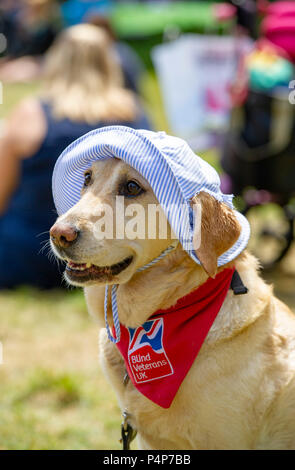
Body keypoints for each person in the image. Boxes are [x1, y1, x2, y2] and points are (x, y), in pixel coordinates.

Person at [0, 24, 151, 289]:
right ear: (109, 62)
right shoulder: (135, 115)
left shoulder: (31, 113)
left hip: (24, 256)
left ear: (57, 61)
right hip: (105, 257)